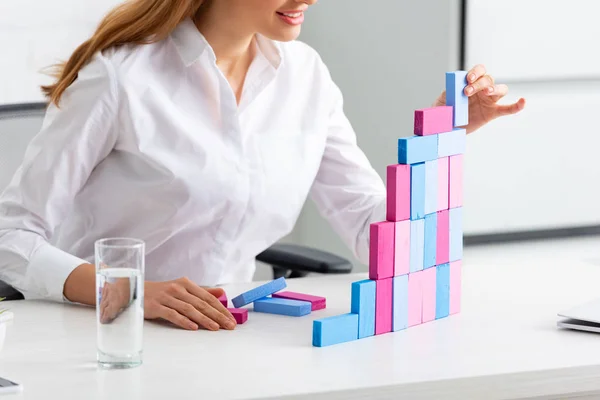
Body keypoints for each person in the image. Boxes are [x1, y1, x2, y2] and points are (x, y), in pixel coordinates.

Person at [0, 0, 525, 332]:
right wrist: (129, 288)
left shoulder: (306, 76)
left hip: (228, 336)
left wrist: (443, 136)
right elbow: (12, 237)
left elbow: (373, 228)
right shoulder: (121, 77)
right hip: (107, 332)